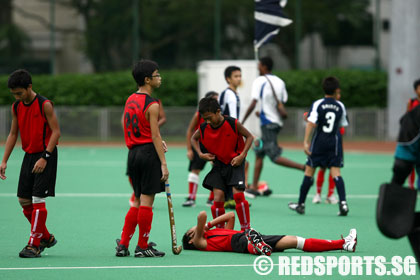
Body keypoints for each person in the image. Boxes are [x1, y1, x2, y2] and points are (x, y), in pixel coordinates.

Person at [0, 69, 60, 258]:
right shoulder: (16, 107)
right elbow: (12, 134)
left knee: (37, 200)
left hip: (45, 156)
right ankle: (47, 237)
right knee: (24, 201)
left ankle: (34, 244)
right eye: (14, 94)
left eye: (20, 93)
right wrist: (4, 160)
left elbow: (56, 132)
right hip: (29, 156)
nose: (17, 97)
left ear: (29, 87)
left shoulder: (45, 105)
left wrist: (45, 157)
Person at [115, 59, 169, 258]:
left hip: (133, 154)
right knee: (147, 201)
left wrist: (152, 141)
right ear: (147, 79)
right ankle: (143, 245)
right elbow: (154, 135)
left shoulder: (130, 99)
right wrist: (163, 163)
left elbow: (143, 130)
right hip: (148, 155)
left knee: (137, 200)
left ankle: (123, 244)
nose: (159, 78)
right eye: (157, 75)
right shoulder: (152, 104)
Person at [242, 57, 304, 198]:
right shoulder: (280, 82)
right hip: (275, 122)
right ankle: (254, 187)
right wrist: (262, 113)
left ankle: (304, 168)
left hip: (268, 123)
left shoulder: (260, 81)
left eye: (259, 66)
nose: (258, 68)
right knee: (259, 152)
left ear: (264, 66)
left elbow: (253, 102)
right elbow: (280, 102)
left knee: (274, 156)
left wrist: (242, 120)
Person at [288, 77, 349, 216]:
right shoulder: (340, 106)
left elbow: (311, 123)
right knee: (336, 173)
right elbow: (342, 125)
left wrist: (305, 142)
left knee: (309, 172)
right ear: (336, 91)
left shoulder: (318, 104)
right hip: (334, 144)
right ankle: (343, 204)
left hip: (319, 143)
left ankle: (301, 204)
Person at [191, 97, 253, 231]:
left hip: (235, 163)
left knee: (238, 195)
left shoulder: (232, 123)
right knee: (218, 197)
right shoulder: (203, 127)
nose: (207, 121)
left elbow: (250, 137)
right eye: (204, 119)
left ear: (218, 111)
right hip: (218, 165)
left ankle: (245, 229)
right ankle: (220, 231)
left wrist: (242, 156)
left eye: (209, 117)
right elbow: (193, 139)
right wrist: (201, 154)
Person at [182, 211, 357, 255]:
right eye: (191, 231)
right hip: (239, 243)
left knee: (298, 241)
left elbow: (231, 215)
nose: (194, 228)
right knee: (247, 236)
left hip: (255, 238)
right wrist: (203, 227)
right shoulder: (200, 243)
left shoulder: (216, 230)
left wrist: (210, 224)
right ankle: (258, 246)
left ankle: (343, 244)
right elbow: (201, 215)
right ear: (191, 240)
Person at [183, 91, 219, 207]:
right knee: (195, 170)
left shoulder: (219, 115)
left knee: (217, 170)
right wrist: (189, 149)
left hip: (213, 145)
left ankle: (212, 198)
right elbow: (190, 131)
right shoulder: (198, 115)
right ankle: (191, 198)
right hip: (199, 145)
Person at [309, 90, 345, 205]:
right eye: (338, 94)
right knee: (323, 169)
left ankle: (330, 194)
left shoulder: (339, 108)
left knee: (331, 171)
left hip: (330, 145)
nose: (339, 96)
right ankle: (318, 194)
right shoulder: (337, 107)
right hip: (327, 144)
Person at [405, 78, 420, 189]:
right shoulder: (411, 102)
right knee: (412, 162)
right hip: (414, 137)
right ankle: (411, 185)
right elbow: (407, 118)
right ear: (415, 90)